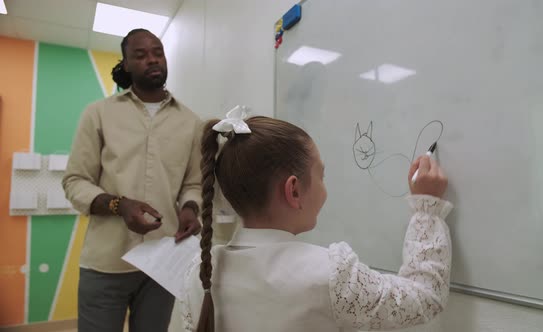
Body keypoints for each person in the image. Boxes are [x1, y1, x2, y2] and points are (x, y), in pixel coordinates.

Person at [180, 107, 452, 332]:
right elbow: (424, 297)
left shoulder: (202, 271)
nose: (324, 187)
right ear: (294, 190)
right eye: (321, 175)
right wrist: (426, 209)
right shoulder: (329, 275)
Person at [63, 28, 202, 332]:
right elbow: (75, 181)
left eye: (158, 52)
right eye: (140, 55)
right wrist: (119, 205)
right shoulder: (98, 114)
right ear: (125, 64)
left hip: (162, 264)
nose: (152, 59)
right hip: (106, 263)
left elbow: (193, 183)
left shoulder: (191, 122)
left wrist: (191, 208)